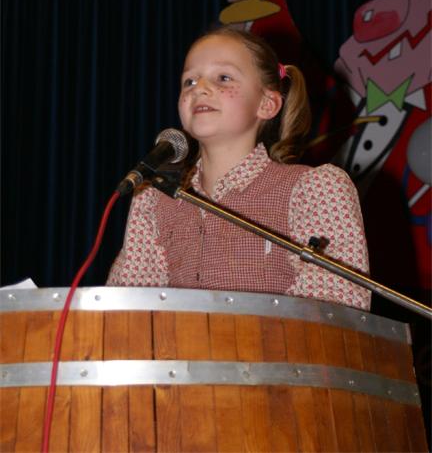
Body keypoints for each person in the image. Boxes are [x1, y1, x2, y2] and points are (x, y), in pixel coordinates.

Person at [107, 27, 370, 310]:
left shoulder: (314, 188)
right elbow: (128, 307)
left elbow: (333, 306)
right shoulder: (154, 198)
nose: (199, 88)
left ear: (267, 104)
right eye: (189, 81)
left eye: (223, 78)